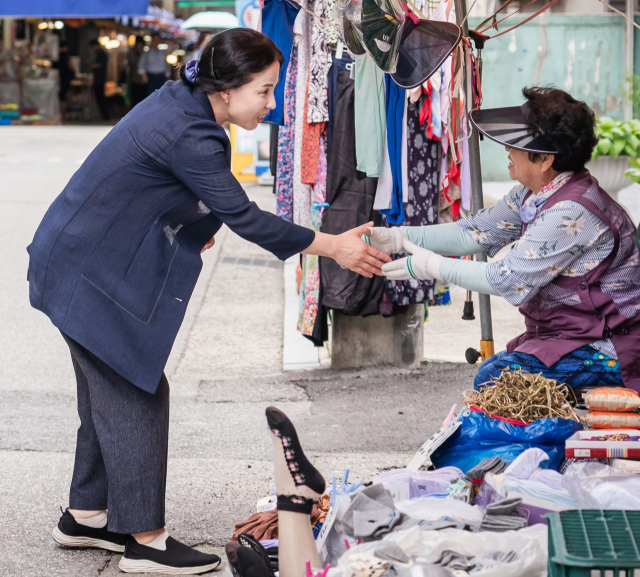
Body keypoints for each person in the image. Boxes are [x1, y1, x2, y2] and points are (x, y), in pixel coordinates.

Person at [27, 29, 389, 575]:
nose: (271, 104)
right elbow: (244, 215)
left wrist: (197, 223)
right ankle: (145, 541)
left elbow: (171, 184)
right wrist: (332, 245)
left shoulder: (186, 105)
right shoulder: (188, 130)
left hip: (78, 260)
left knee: (106, 393)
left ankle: (86, 515)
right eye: (264, 91)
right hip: (85, 272)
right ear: (226, 89)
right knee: (134, 388)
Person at [370, 87, 640, 391]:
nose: (507, 151)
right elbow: (473, 232)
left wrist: (432, 267)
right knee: (496, 375)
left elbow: (506, 278)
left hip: (609, 347)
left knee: (498, 380)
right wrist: (396, 237)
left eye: (517, 145)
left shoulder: (571, 213)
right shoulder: (535, 192)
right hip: (569, 336)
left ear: (545, 160)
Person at [89, 39, 109, 120]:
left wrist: (91, 65)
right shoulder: (101, 53)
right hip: (99, 78)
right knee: (100, 98)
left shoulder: (101, 53)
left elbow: (99, 65)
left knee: (100, 98)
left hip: (99, 79)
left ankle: (105, 116)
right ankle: (104, 116)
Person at [54, 41, 73, 121]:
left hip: (58, 78)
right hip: (64, 79)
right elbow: (70, 67)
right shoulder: (65, 56)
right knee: (63, 98)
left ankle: (61, 115)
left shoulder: (56, 56)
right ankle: (63, 115)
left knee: (61, 97)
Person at [127, 36, 148, 108]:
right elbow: (130, 65)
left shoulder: (145, 53)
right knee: (135, 99)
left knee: (144, 99)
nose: (140, 46)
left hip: (145, 80)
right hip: (135, 79)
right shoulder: (132, 53)